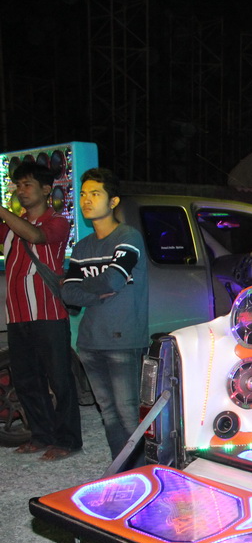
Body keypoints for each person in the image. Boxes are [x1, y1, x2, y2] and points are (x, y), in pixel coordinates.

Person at [61, 168, 149, 458]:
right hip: (89, 342)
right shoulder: (82, 247)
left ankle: (141, 470)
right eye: (83, 194)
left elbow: (113, 279)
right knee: (108, 413)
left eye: (95, 194)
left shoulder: (128, 237)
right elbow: (68, 293)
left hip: (123, 339)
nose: (86, 200)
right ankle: (119, 468)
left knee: (128, 413)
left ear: (113, 201)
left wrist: (86, 288)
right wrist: (96, 292)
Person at [0, 162, 82, 461]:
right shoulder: (12, 224)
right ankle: (41, 435)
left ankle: (68, 440)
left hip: (48, 314)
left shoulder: (57, 222)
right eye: (17, 186)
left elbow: (35, 237)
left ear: (47, 190)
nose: (20, 191)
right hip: (17, 315)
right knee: (26, 380)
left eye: (27, 185)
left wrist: (3, 212)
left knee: (60, 380)